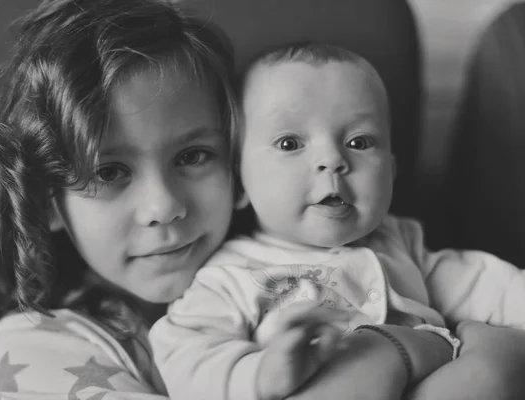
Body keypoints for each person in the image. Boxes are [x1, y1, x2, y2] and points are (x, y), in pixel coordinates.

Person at [149, 42, 525, 400]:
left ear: (391, 171)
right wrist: (260, 373)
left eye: (360, 142)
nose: (332, 159)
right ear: (238, 179)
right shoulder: (230, 277)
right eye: (289, 144)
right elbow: (187, 357)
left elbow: (484, 282)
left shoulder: (402, 244)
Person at [0, 0, 239, 398]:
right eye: (109, 172)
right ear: (48, 202)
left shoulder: (289, 276)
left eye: (192, 156)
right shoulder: (34, 347)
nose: (163, 207)